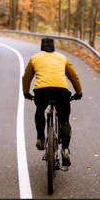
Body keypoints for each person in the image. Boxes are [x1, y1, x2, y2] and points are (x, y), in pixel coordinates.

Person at [22, 38, 82, 167]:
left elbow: (26, 77)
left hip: (41, 92)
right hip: (61, 91)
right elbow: (73, 76)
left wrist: (26, 92)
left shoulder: (34, 58)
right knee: (64, 120)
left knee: (40, 110)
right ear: (54, 47)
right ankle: (65, 149)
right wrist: (79, 92)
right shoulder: (62, 58)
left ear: (41, 47)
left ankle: (40, 138)